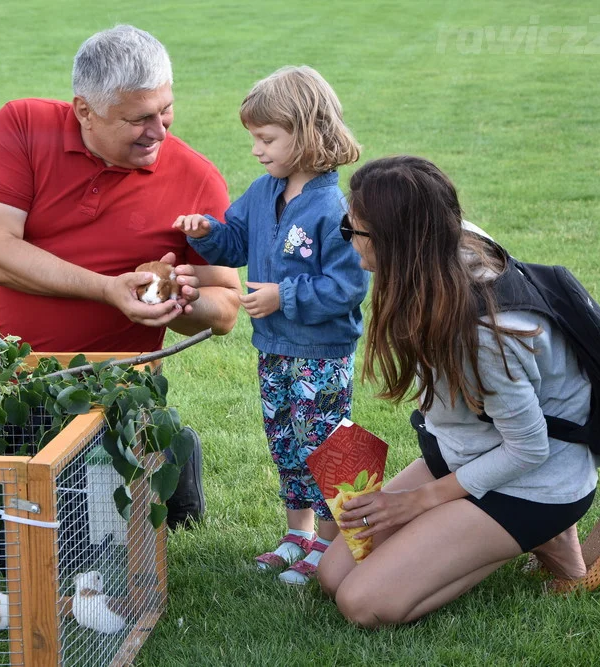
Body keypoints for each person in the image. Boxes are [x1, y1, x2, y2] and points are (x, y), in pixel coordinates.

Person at [317, 155, 600, 625]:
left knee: (363, 604)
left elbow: (528, 448)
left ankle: (542, 531)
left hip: (535, 479)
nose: (349, 243)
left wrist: (420, 503)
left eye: (356, 233)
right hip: (471, 450)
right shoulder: (441, 244)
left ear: (399, 244)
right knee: (334, 575)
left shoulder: (484, 332)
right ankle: (539, 543)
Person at [0, 25, 242, 528]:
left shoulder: (196, 177)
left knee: (86, 539)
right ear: (84, 110)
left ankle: (162, 442)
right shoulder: (23, 124)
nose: (159, 131)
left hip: (115, 387)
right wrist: (108, 288)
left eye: (166, 111)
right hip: (13, 375)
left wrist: (185, 297)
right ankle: (169, 445)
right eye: (139, 119)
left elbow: (225, 307)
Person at [174, 66, 369, 585]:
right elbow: (235, 241)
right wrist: (208, 232)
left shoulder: (334, 209)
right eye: (255, 139)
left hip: (321, 353)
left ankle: (334, 544)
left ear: (305, 133)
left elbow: (349, 288)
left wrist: (286, 295)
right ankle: (298, 535)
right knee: (285, 440)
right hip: (274, 349)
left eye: (267, 138)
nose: (258, 149)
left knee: (326, 445)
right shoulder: (264, 192)